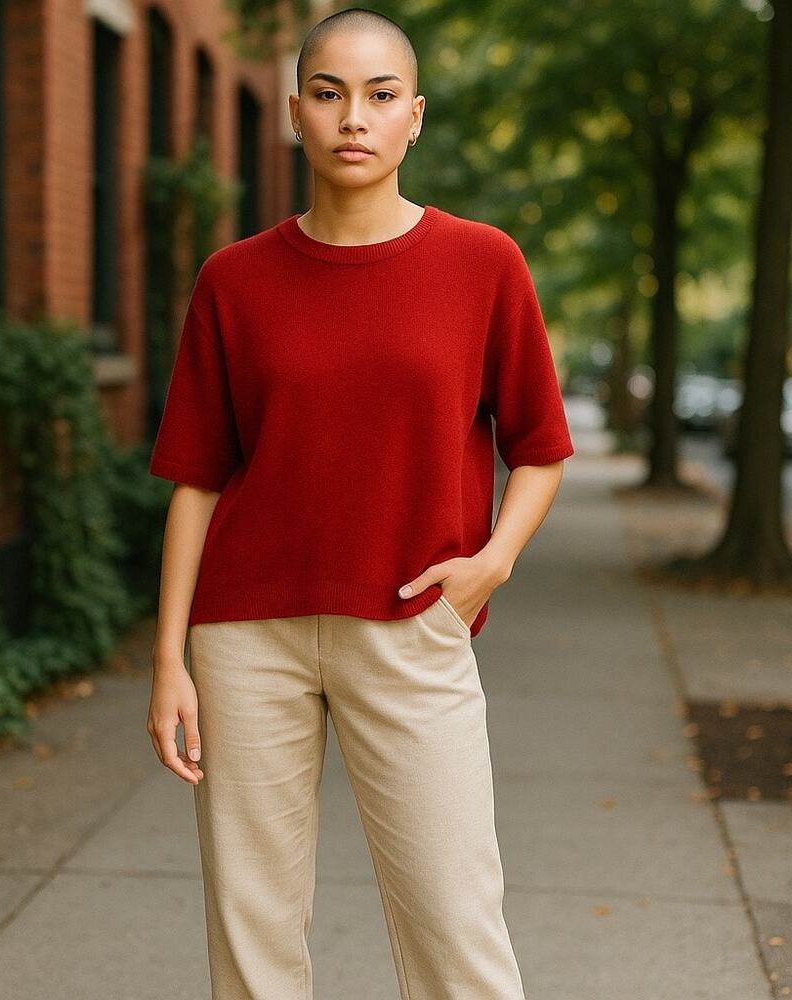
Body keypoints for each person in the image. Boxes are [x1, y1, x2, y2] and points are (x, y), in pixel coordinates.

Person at [146, 7, 574, 999]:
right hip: (247, 636)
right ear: (295, 111)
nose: (355, 118)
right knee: (251, 935)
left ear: (413, 117)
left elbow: (541, 450)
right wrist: (169, 660)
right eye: (330, 94)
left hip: (414, 623)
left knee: (456, 927)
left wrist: (492, 561)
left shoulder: (482, 265)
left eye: (381, 96)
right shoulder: (234, 280)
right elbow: (198, 479)